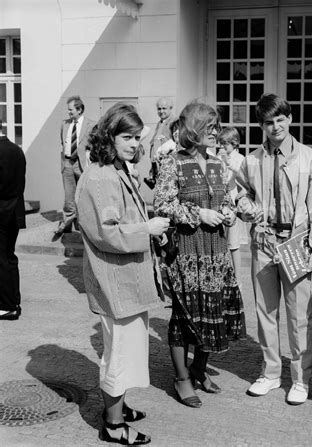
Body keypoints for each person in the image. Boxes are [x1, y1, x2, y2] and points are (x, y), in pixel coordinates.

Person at [76, 103, 170, 444]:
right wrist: (148, 227)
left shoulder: (114, 168)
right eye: (126, 137)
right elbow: (108, 232)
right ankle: (114, 426)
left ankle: (119, 408)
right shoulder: (100, 176)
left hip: (124, 279)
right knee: (118, 355)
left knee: (126, 351)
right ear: (110, 136)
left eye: (136, 137)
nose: (134, 143)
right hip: (114, 281)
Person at [236, 93, 312, 405]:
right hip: (264, 244)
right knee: (265, 312)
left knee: (298, 314)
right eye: (268, 122)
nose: (275, 126)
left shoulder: (309, 158)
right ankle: (270, 372)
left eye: (280, 119)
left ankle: (300, 378)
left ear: (289, 119)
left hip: (296, 244)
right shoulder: (251, 160)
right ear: (261, 125)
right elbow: (238, 195)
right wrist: (247, 209)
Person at [153, 101, 246, 409]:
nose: (215, 133)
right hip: (187, 252)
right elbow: (163, 205)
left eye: (216, 127)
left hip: (217, 251)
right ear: (193, 129)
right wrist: (198, 214)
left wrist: (228, 213)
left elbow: (229, 200)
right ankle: (181, 379)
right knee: (183, 317)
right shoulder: (172, 162)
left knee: (212, 312)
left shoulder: (220, 162)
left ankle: (199, 369)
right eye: (209, 127)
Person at [56, 95, 95, 236]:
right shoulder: (65, 124)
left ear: (79, 109)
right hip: (67, 163)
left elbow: (93, 145)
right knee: (69, 196)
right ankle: (66, 224)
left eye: (71, 109)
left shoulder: (91, 124)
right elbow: (63, 142)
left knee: (83, 196)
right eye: (68, 110)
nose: (69, 112)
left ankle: (82, 224)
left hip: (81, 164)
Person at [0, 120, 26, 321]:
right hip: (14, 212)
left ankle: (7, 305)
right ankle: (14, 302)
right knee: (9, 257)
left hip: (1, 212)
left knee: (2, 260)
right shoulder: (17, 151)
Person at [217, 126, 247, 285]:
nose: (222, 147)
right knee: (220, 240)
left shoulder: (239, 159)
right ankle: (222, 276)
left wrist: (228, 164)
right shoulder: (218, 157)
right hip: (219, 199)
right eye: (220, 144)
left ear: (234, 143)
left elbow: (241, 179)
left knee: (234, 243)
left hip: (232, 199)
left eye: (225, 144)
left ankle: (238, 279)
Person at [144, 97, 175, 189]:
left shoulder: (174, 122)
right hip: (157, 167)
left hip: (167, 167)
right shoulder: (160, 123)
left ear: (170, 108)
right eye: (159, 109)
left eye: (164, 108)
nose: (161, 111)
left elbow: (177, 144)